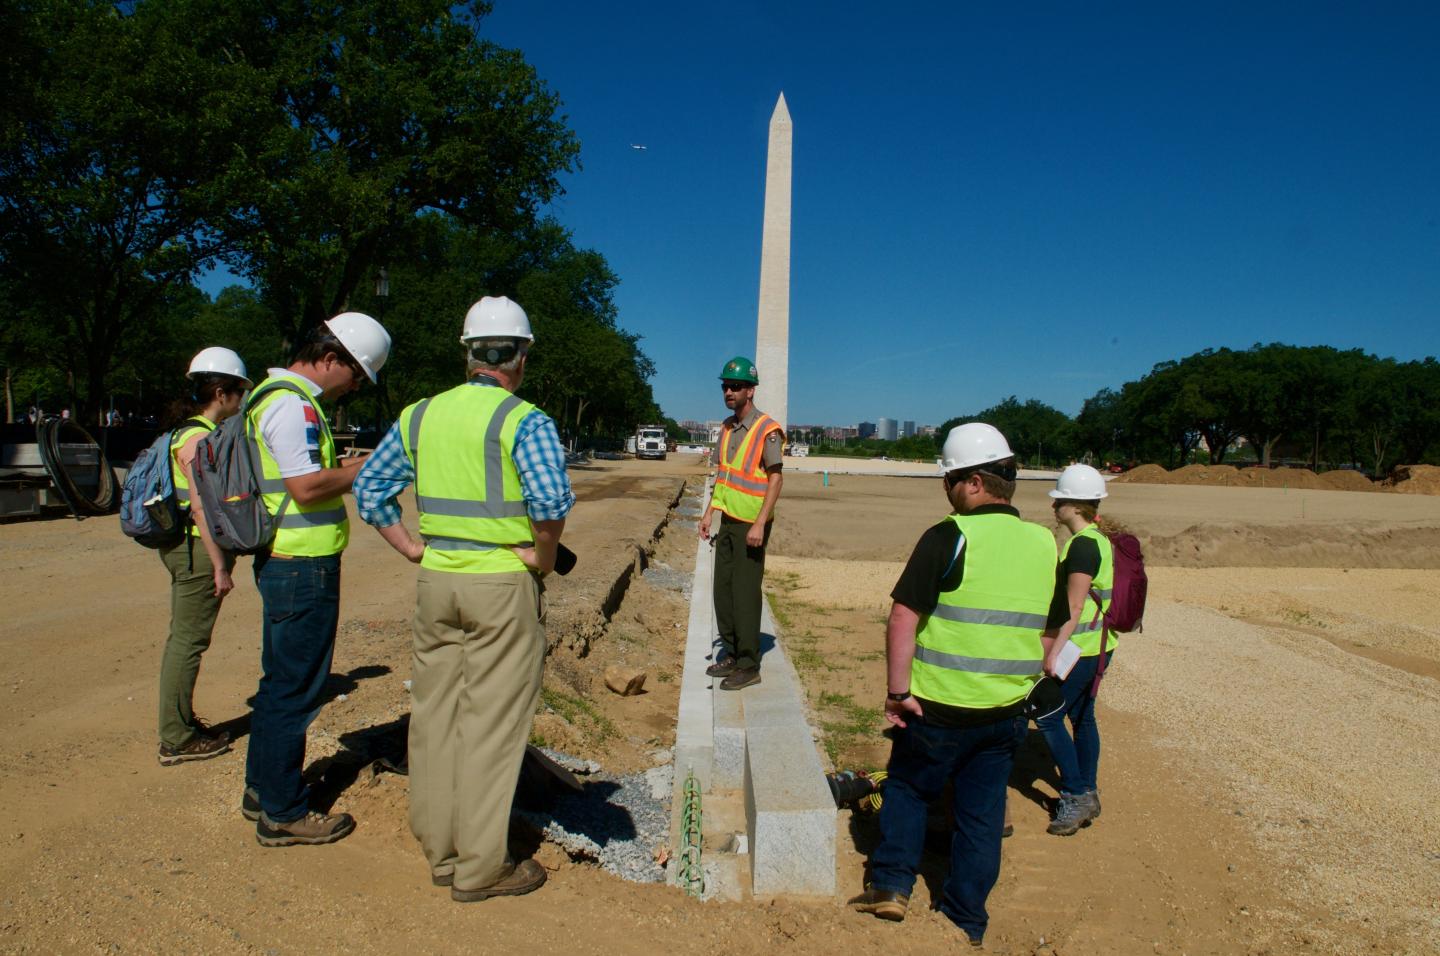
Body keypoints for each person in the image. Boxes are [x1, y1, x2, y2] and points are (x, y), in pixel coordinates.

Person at [353, 296, 573, 901]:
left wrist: (411, 548)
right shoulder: (524, 421)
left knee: (435, 717)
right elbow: (551, 503)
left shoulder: (419, 416)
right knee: (491, 726)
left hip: (437, 583)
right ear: (520, 356)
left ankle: (440, 849)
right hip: (501, 586)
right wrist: (544, 558)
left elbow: (371, 489)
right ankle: (481, 868)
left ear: (469, 352)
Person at [851, 423, 1057, 947]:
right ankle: (966, 918)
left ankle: (892, 886)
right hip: (1005, 714)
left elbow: (903, 617)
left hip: (937, 708)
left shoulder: (950, 535)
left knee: (908, 789)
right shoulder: (1043, 542)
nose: (946, 492)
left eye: (947, 481)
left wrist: (898, 691)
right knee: (981, 816)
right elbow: (1053, 630)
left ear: (970, 483)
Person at [241, 311, 391, 847]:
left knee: (279, 681)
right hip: (302, 565)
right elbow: (306, 488)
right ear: (330, 359)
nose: (353, 389)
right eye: (355, 377)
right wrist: (369, 469)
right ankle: (282, 812)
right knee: (297, 690)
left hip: (286, 561)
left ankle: (262, 788)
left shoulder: (269, 395)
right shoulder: (294, 403)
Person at [155, 347, 252, 766]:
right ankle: (176, 737)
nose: (240, 401)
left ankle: (181, 725)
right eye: (238, 393)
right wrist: (218, 565)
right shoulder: (198, 439)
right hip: (197, 549)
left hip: (187, 546)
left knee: (186, 638)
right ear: (220, 392)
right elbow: (200, 504)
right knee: (188, 641)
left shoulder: (186, 431)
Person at [1037, 463, 1115, 836]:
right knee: (1084, 717)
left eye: (1059, 501)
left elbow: (1074, 605)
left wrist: (1053, 652)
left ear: (1074, 504)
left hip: (1080, 650)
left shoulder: (1083, 546)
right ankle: (1089, 789)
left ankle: (1077, 791)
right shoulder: (1101, 539)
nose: (1054, 508)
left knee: (1048, 715)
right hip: (1100, 646)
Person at [698, 356, 783, 691]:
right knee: (723, 589)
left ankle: (749, 664)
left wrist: (760, 523)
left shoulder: (767, 430)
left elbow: (775, 480)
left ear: (751, 390)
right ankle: (732, 652)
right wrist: (709, 513)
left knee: (745, 592)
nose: (728, 392)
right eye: (725, 386)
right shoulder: (727, 427)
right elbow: (725, 475)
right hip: (729, 520)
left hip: (752, 524)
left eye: (735, 387)